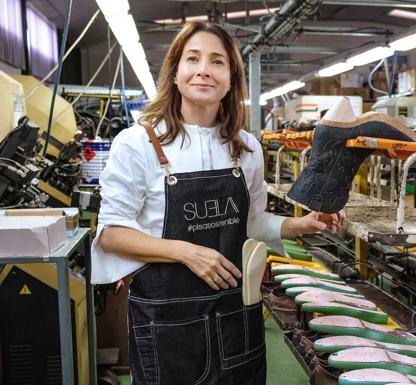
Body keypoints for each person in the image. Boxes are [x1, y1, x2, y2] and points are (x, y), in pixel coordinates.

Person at [91, 22, 344, 385]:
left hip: (237, 318)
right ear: (175, 73)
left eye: (217, 62)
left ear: (230, 80)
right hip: (168, 327)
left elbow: (252, 224)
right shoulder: (139, 144)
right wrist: (185, 251)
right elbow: (111, 234)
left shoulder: (246, 148)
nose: (204, 70)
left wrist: (299, 225)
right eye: (193, 59)